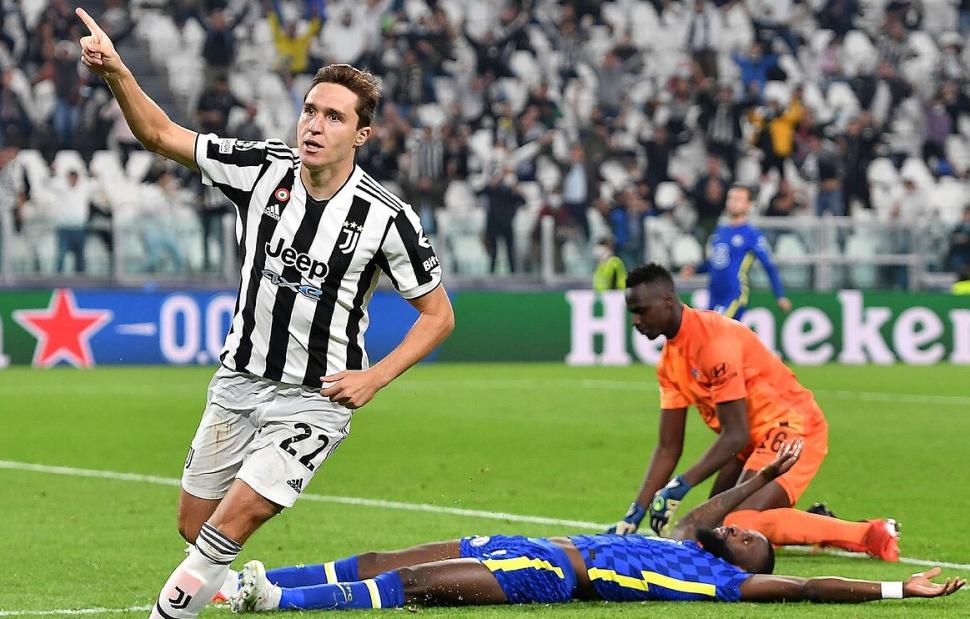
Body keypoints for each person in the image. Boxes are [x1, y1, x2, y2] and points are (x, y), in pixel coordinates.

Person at [75, 9, 455, 619]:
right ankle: (255, 592)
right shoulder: (262, 169)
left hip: (314, 398)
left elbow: (438, 315)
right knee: (196, 525)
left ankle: (167, 613)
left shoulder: (387, 218)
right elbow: (161, 135)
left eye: (334, 117)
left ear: (361, 134)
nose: (315, 125)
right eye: (310, 110)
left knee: (235, 519)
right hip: (238, 381)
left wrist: (375, 377)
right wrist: (117, 71)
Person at [227, 442, 964, 612]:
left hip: (554, 573)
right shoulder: (688, 539)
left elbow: (806, 588)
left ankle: (277, 602)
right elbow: (711, 510)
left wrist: (898, 590)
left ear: (749, 562)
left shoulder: (731, 582)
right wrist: (769, 471)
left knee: (416, 583)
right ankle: (245, 582)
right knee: (383, 555)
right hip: (527, 545)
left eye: (749, 539)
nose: (738, 530)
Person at [607, 263, 899, 562]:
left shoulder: (713, 342)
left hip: (792, 427)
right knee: (709, 532)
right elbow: (669, 447)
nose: (636, 321)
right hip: (749, 443)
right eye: (632, 313)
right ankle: (810, 523)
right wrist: (634, 513)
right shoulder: (669, 363)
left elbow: (735, 434)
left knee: (737, 522)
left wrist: (678, 486)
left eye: (642, 311)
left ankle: (871, 534)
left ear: (668, 300)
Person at [682, 184, 791, 319]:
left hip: (734, 294)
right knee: (713, 331)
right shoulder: (721, 230)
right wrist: (695, 269)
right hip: (715, 294)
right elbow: (716, 262)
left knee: (718, 328)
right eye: (731, 198)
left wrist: (780, 295)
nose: (733, 202)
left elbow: (769, 265)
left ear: (748, 205)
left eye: (739, 199)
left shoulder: (752, 234)